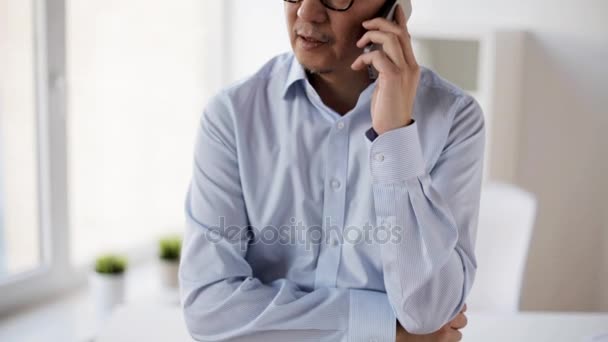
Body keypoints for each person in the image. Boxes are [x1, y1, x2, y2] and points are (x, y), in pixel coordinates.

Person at [179, 0, 485, 341]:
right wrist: (388, 333)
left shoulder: (454, 119)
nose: (306, 13)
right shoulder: (232, 115)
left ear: (393, 10)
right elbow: (209, 309)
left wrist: (395, 136)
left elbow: (427, 312)